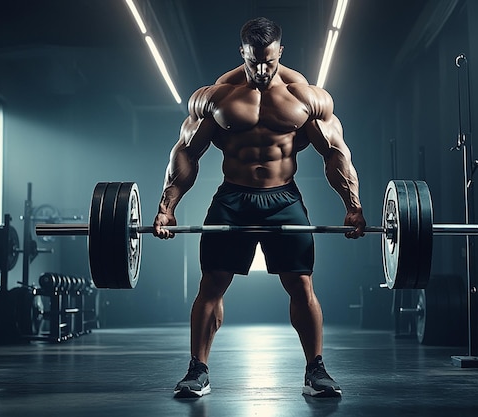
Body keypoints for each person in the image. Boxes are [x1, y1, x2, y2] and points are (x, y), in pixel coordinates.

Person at [153, 17, 366, 398]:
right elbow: (186, 153)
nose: (262, 70)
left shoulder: (305, 96)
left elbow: (335, 154)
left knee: (301, 285)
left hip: (283, 198)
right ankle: (197, 371)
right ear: (243, 53)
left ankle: (315, 371)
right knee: (212, 285)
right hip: (232, 199)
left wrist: (353, 205)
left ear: (280, 51)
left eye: (269, 60)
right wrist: (167, 207)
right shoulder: (217, 95)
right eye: (254, 62)